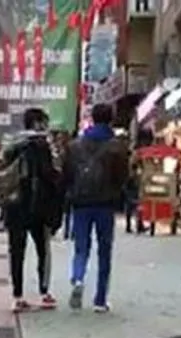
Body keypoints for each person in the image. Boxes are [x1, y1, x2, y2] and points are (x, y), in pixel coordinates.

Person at [63, 103, 130, 312]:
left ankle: (78, 278)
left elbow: (67, 174)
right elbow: (123, 177)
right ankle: (100, 300)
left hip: (81, 202)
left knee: (81, 247)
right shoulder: (117, 146)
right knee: (104, 250)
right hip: (106, 204)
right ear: (111, 119)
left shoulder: (75, 146)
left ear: (92, 118)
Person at [2, 107, 62, 311]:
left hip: (14, 204)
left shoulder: (12, 144)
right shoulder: (43, 145)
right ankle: (44, 292)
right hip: (39, 206)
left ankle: (17, 295)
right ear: (38, 123)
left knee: (16, 251)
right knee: (43, 250)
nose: (45, 126)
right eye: (44, 122)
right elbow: (52, 175)